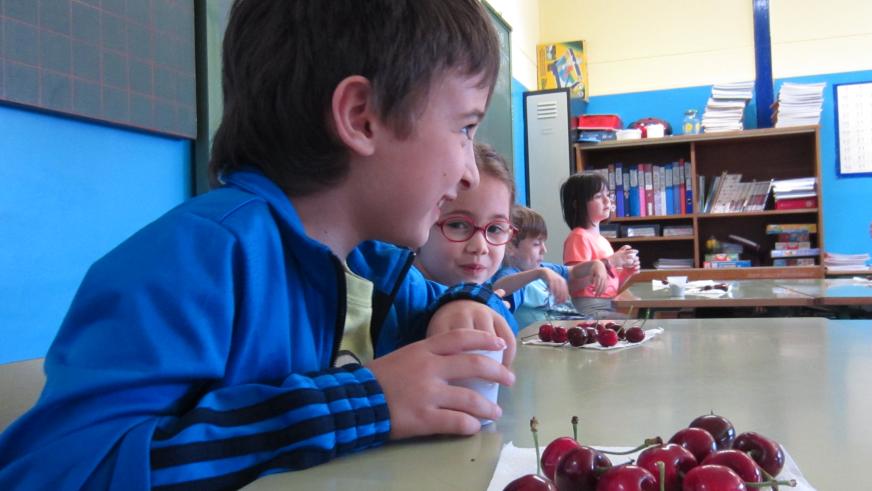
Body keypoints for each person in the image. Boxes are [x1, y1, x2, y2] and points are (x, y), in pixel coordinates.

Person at [0, 1, 518, 489]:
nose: (471, 171)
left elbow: (473, 306)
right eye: (466, 128)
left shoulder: (375, 267)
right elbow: (59, 472)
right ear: (361, 118)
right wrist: (365, 403)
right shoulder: (195, 260)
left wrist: (462, 306)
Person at [414, 144, 524, 332]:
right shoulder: (401, 294)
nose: (480, 246)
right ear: (420, 221)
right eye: (457, 225)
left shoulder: (488, 292)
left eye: (495, 228)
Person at [492, 205, 608, 327]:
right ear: (510, 247)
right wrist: (539, 273)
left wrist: (595, 264)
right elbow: (498, 289)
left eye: (543, 243)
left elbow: (574, 271)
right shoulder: (513, 275)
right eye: (536, 244)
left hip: (575, 329)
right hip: (546, 341)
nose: (544, 250)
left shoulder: (544, 267)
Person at [559, 172, 641, 318]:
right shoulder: (578, 237)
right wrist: (612, 261)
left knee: (636, 324)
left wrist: (627, 272)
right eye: (598, 196)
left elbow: (609, 286)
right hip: (588, 308)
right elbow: (574, 285)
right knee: (635, 325)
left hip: (608, 304)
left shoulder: (603, 241)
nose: (607, 201)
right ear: (577, 205)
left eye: (608, 195)